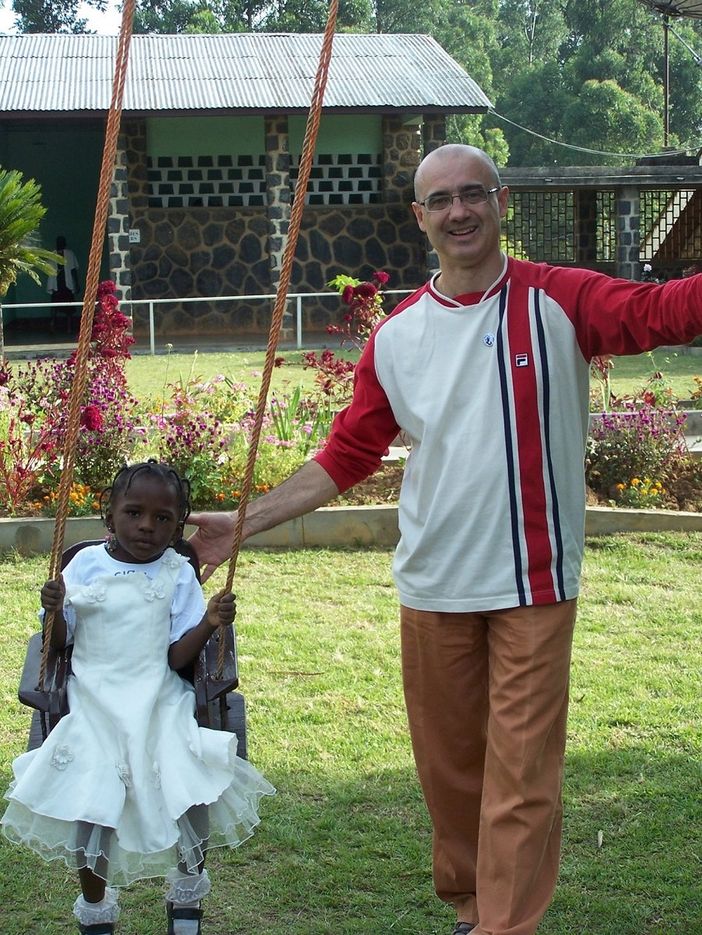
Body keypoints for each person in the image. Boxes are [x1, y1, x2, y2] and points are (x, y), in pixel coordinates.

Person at [187, 144, 702, 935]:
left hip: (533, 583)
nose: (459, 211)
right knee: (452, 774)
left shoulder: (559, 299)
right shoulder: (398, 336)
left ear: (501, 203)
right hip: (432, 584)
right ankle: (471, 905)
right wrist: (242, 522)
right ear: (420, 217)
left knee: (523, 776)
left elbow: (662, 313)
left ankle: (504, 924)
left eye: (474, 194)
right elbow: (347, 454)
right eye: (441, 200)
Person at [2, 460, 274, 935]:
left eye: (163, 518)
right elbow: (60, 641)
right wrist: (53, 611)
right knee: (94, 797)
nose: (147, 526)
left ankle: (187, 898)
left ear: (176, 525)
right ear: (109, 515)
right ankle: (96, 906)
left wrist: (210, 621)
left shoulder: (178, 573)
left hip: (157, 694)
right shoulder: (83, 565)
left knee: (189, 782)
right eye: (134, 513)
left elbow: (176, 658)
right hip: (94, 698)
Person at [47, 235, 80, 333]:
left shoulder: (69, 254)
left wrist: (76, 283)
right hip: (56, 284)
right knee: (54, 306)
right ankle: (52, 325)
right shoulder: (51, 255)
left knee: (69, 307)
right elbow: (48, 269)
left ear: (64, 244)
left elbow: (73, 269)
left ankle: (69, 327)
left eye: (62, 242)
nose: (60, 244)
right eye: (59, 242)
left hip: (67, 284)